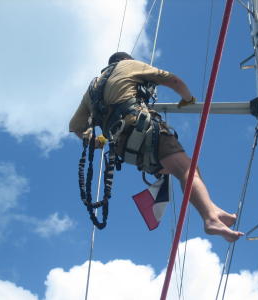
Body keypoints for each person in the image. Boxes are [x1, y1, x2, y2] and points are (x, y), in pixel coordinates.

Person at [69, 52, 243, 242]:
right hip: (143, 129)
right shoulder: (128, 66)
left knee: (187, 167)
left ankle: (211, 209)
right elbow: (172, 80)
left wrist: (97, 141)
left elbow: (76, 127)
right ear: (127, 60)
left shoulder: (93, 88)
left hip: (125, 148)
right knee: (185, 169)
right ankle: (210, 219)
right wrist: (188, 99)